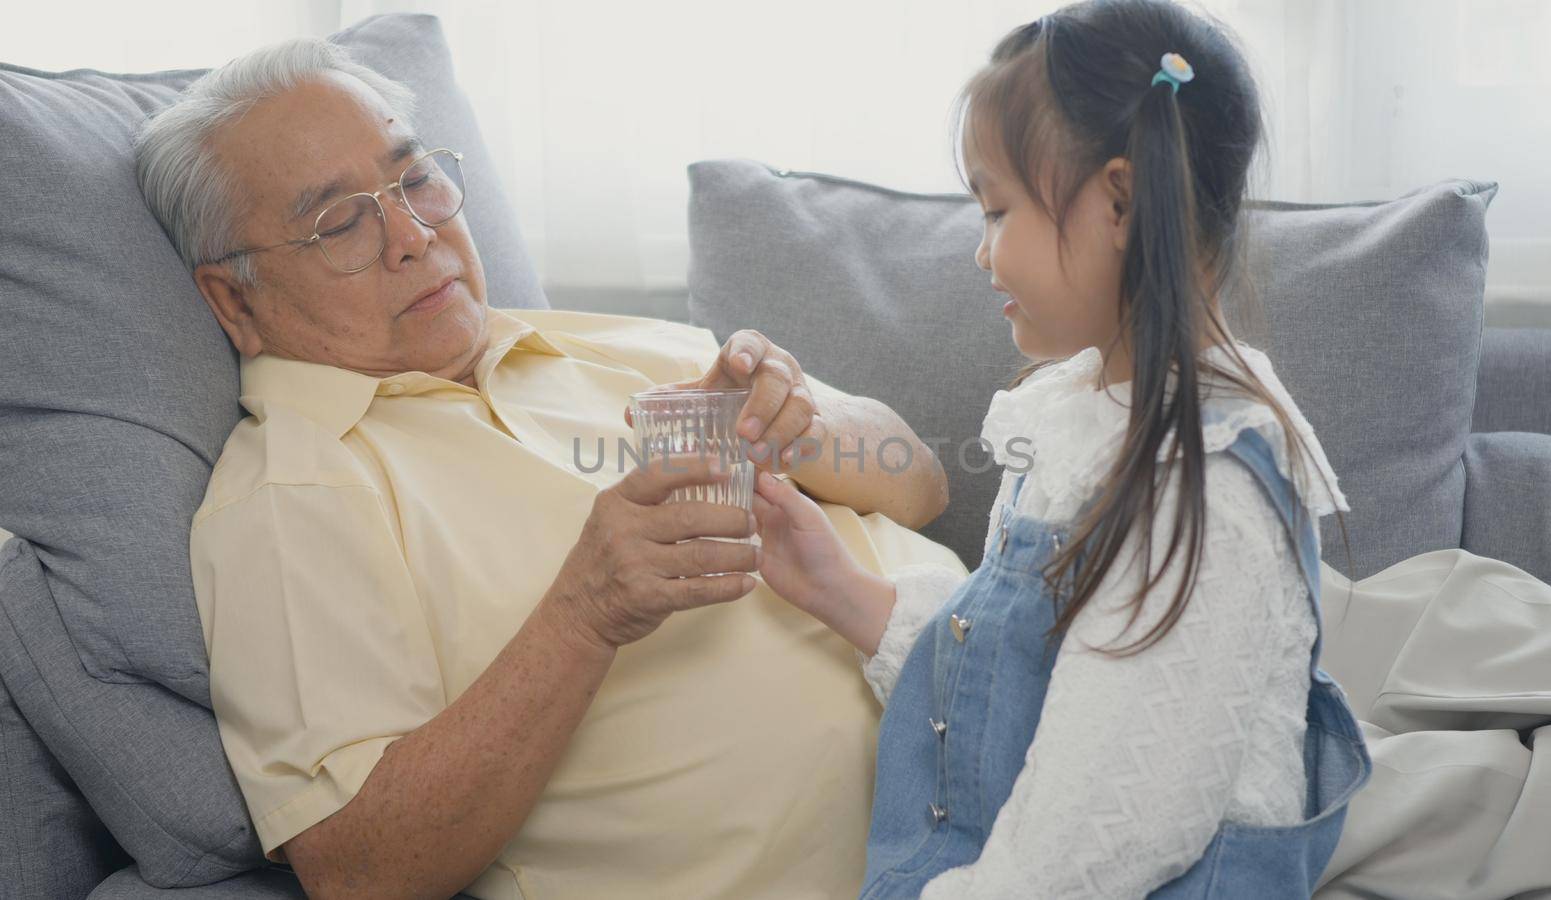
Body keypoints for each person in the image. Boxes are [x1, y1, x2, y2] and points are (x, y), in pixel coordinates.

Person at [137, 37, 963, 899]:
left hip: (1022, 727)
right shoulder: (293, 495)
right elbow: (359, 870)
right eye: (340, 222)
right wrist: (584, 614)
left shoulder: (605, 342)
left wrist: (804, 429)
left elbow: (924, 483)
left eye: (415, 180)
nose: (414, 237)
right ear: (234, 299)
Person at [750, 1, 1372, 896]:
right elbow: (1025, 680)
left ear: (1118, 201)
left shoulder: (1200, 493)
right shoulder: (1083, 416)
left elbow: (1085, 850)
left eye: (997, 210)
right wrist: (843, 593)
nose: (981, 252)